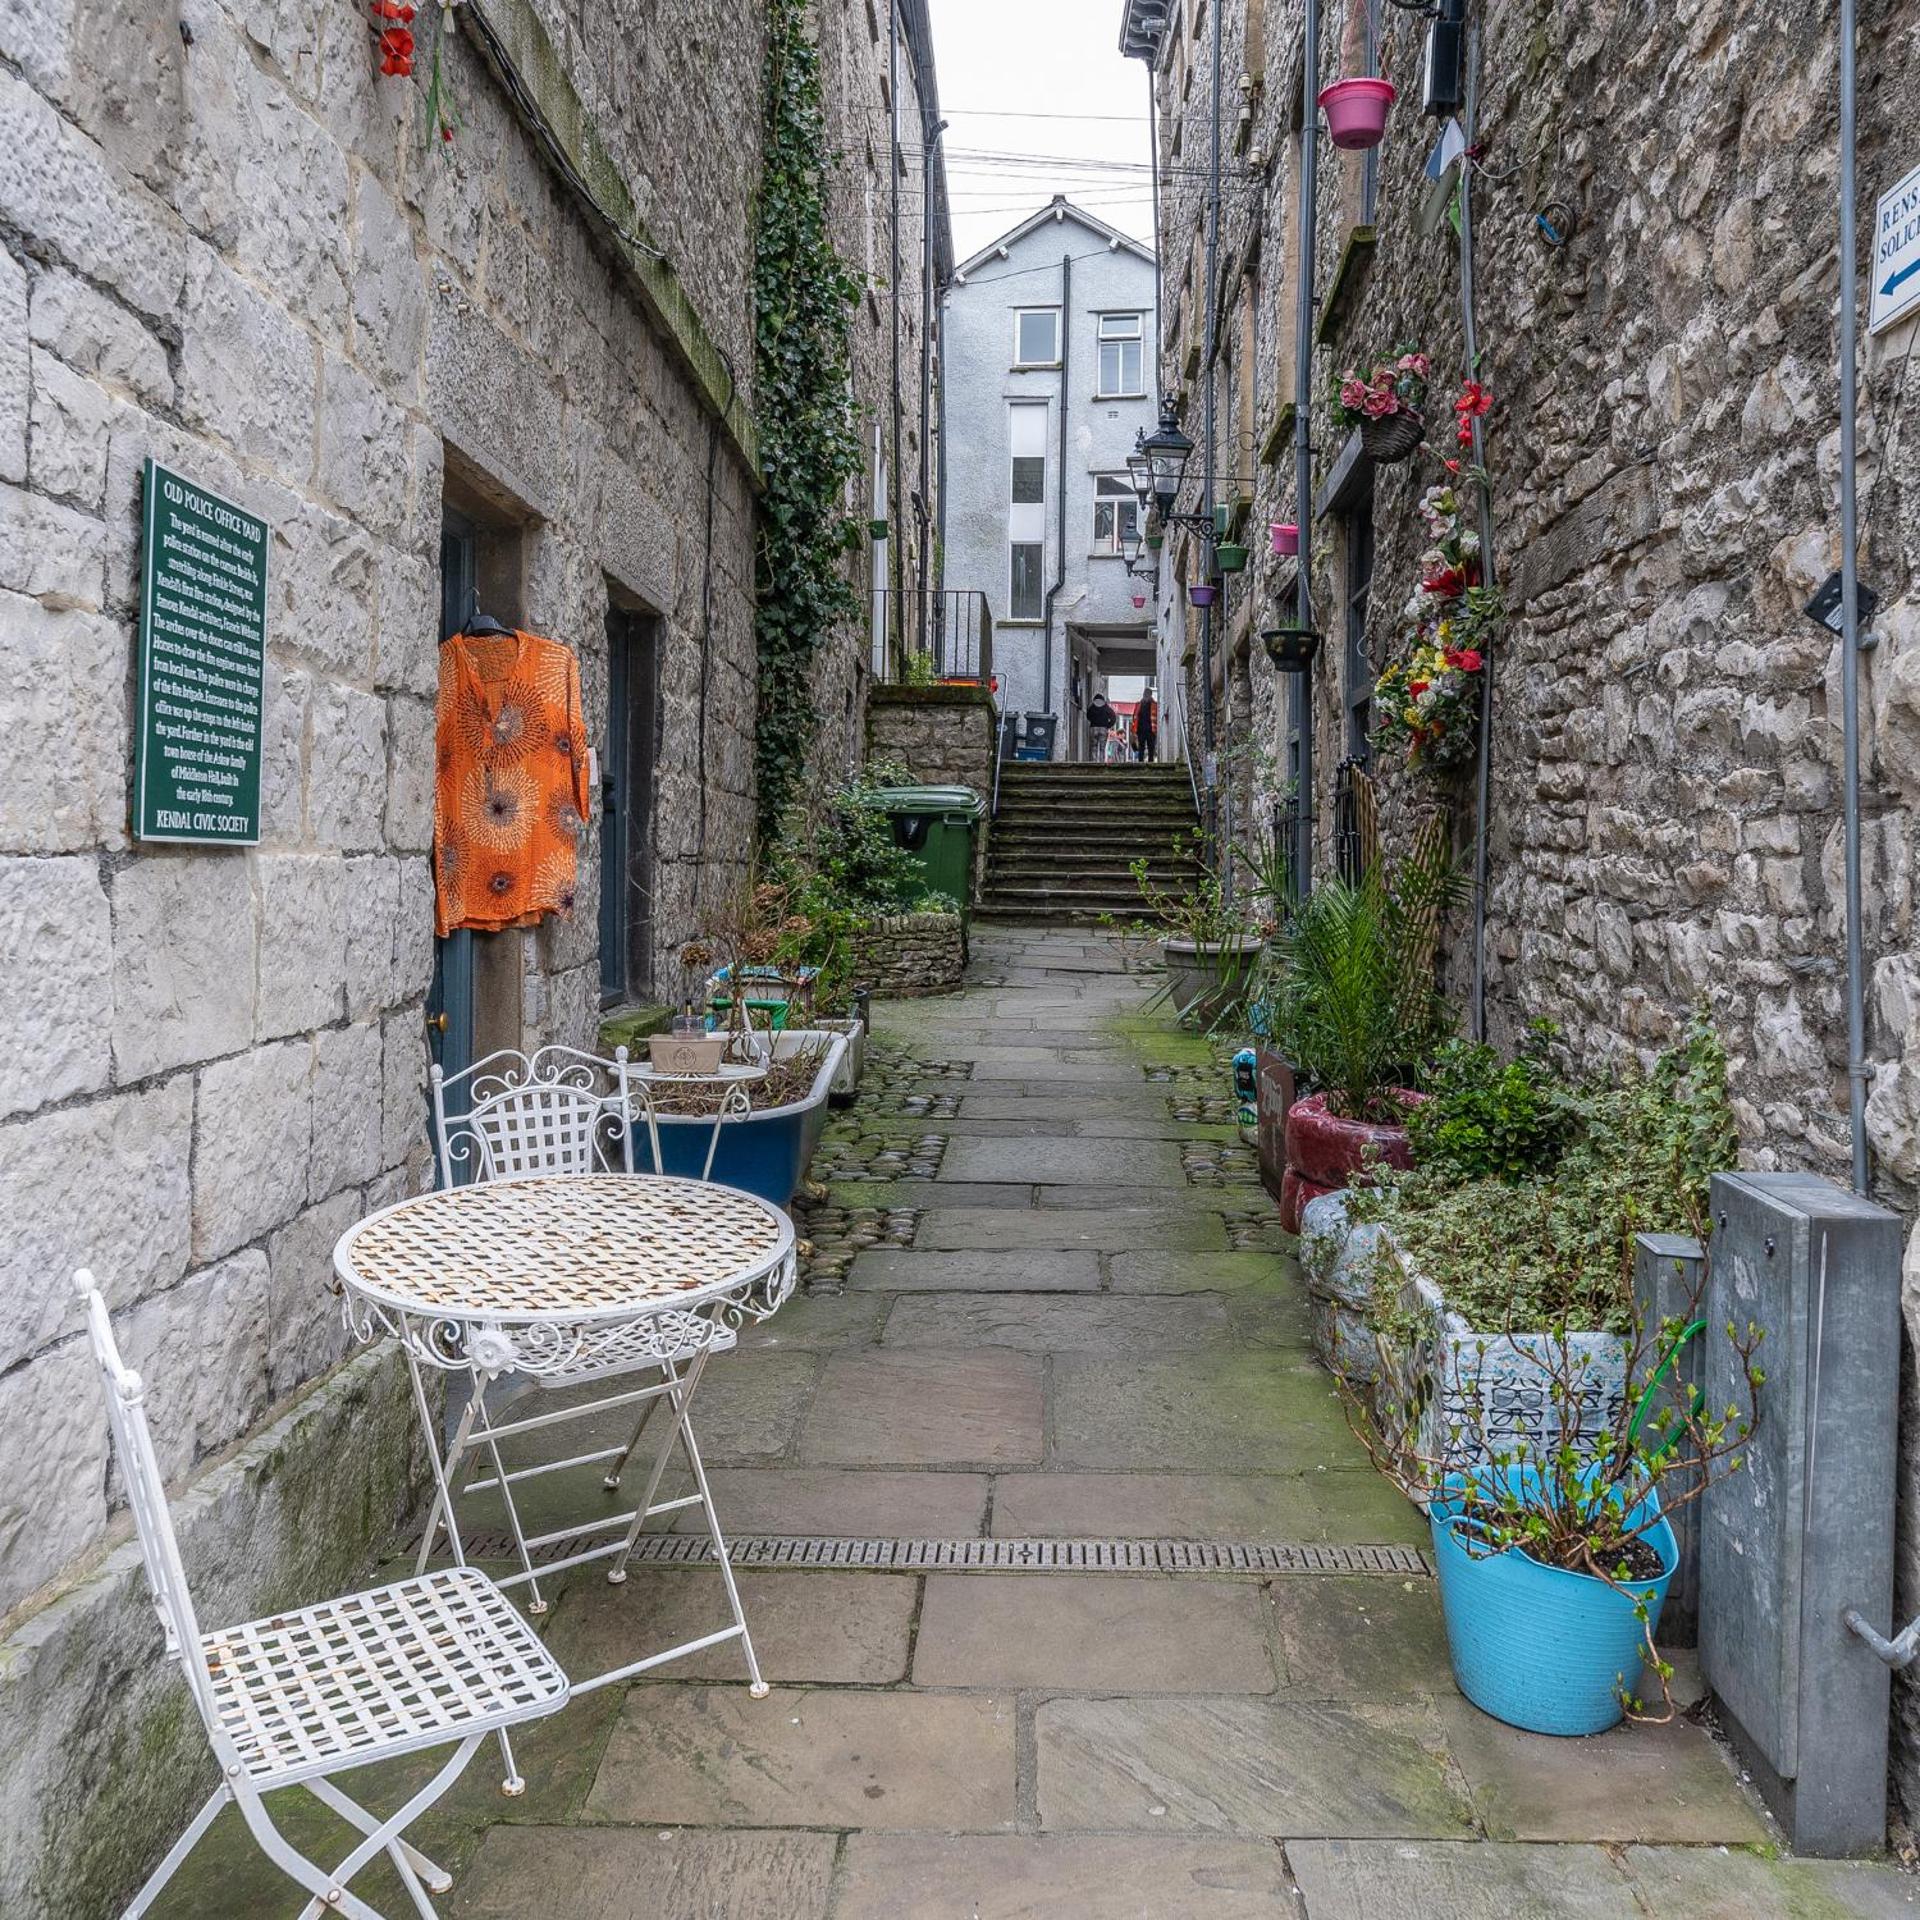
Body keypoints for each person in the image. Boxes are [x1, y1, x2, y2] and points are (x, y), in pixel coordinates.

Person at [1085, 689, 1117, 761]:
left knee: (1094, 747)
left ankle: (1094, 763)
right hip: (1103, 728)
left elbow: (1088, 715)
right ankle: (1101, 763)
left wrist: (1093, 721)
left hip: (1093, 728)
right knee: (1102, 748)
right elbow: (1113, 717)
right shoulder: (1106, 707)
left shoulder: (1092, 707)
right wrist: (1108, 725)